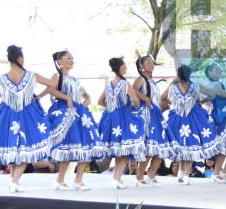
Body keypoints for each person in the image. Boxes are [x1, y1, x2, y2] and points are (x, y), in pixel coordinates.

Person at [0, 45, 75, 193]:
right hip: (27, 115)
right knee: (26, 149)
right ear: (20, 58)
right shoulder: (31, 75)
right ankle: (14, 181)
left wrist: (1, 95)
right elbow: (52, 84)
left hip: (8, 115)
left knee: (13, 148)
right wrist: (40, 95)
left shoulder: (2, 78)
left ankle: (13, 180)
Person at [43, 50, 106, 191]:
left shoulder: (75, 80)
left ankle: (78, 180)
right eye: (68, 58)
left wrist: (84, 104)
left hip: (79, 114)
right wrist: (67, 98)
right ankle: (59, 180)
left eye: (72, 58)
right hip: (65, 112)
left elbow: (87, 96)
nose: (72, 60)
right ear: (60, 62)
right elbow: (51, 90)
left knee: (86, 146)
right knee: (68, 147)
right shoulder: (57, 76)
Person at [161, 64, 222, 184]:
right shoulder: (196, 86)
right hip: (194, 118)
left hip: (178, 119)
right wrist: (200, 102)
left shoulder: (173, 88)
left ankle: (180, 173)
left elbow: (163, 97)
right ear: (189, 75)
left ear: (178, 75)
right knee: (191, 145)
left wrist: (172, 103)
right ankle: (186, 174)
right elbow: (212, 95)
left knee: (181, 144)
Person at [97, 57, 146, 189]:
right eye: (125, 65)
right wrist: (129, 105)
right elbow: (136, 101)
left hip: (110, 118)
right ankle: (117, 178)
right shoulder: (125, 83)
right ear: (120, 67)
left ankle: (116, 177)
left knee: (119, 149)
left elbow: (100, 101)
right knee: (124, 150)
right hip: (124, 117)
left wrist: (112, 107)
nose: (126, 67)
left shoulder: (108, 84)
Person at [133, 55, 174, 186]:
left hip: (156, 116)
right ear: (141, 66)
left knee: (161, 148)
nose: (151, 64)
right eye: (148, 62)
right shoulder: (140, 79)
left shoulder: (151, 81)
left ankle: (151, 175)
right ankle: (139, 176)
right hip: (146, 116)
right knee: (149, 149)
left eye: (152, 62)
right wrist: (145, 98)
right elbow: (133, 90)